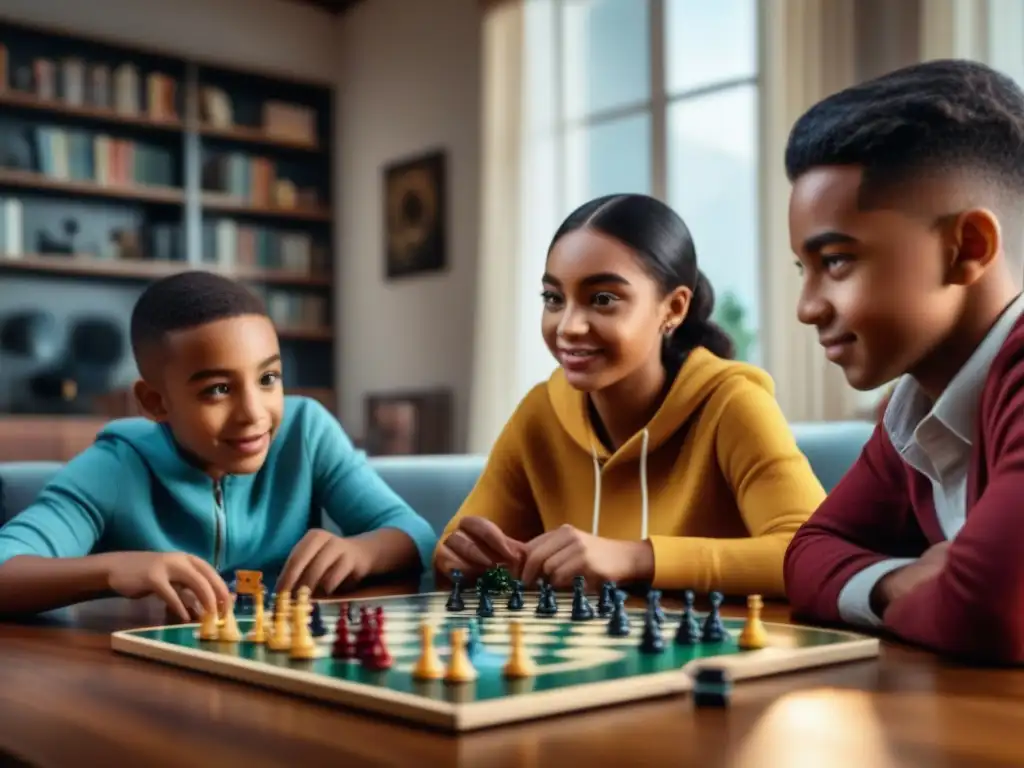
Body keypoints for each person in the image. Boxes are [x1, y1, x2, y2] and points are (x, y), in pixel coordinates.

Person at [434, 193, 826, 597]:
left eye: (602, 299)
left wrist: (636, 558)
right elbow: (453, 560)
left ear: (673, 308)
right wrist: (493, 569)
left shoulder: (732, 404)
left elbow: (816, 556)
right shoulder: (540, 413)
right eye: (553, 298)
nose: (568, 326)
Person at [0, 272, 437, 619]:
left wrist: (361, 550)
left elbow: (414, 533)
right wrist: (115, 570)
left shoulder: (307, 430)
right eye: (218, 390)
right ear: (156, 401)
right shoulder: (115, 466)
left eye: (268, 379)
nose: (253, 413)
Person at [782, 59, 1024, 662]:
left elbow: (989, 610)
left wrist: (947, 591)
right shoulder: (917, 411)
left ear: (966, 248)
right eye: (803, 270)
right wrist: (898, 582)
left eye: (836, 261)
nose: (807, 308)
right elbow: (809, 551)